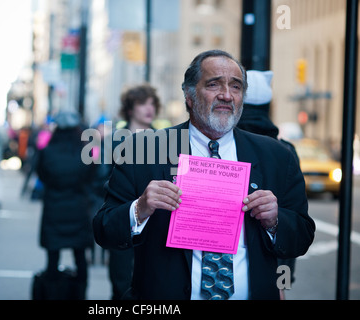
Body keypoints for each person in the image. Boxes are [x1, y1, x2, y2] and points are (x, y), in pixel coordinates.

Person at [93, 49, 315, 300]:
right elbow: (104, 230)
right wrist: (139, 208)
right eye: (213, 84)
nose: (226, 95)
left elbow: (302, 236)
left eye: (236, 86)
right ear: (189, 95)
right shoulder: (143, 151)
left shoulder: (276, 156)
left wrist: (275, 221)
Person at [237, 70, 300, 299]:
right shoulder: (285, 150)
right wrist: (282, 282)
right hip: (269, 269)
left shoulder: (220, 146)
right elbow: (288, 222)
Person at [106, 84, 161, 300]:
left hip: (155, 221)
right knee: (120, 282)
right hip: (124, 214)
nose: (149, 108)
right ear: (130, 109)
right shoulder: (117, 139)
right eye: (142, 103)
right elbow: (103, 176)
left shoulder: (164, 139)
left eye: (152, 103)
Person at [36, 111, 96, 299]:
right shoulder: (85, 153)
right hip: (78, 209)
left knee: (53, 257)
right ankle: (80, 294)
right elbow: (91, 177)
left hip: (54, 208)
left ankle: (52, 294)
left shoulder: (47, 152)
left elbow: (42, 176)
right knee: (80, 257)